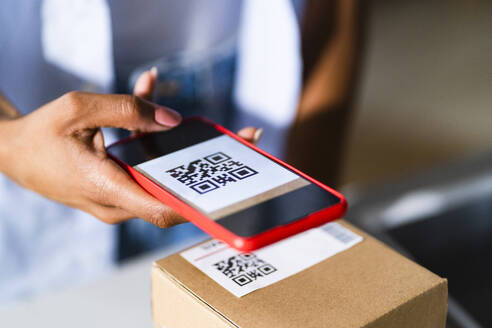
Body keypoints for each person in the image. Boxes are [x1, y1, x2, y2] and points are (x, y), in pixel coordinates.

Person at [0, 0, 364, 302]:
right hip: (33, 116)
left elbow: (335, 12)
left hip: (242, 75)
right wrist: (10, 142)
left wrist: (298, 230)